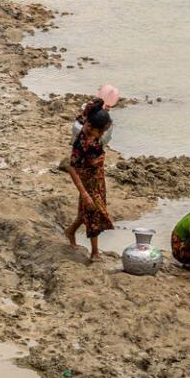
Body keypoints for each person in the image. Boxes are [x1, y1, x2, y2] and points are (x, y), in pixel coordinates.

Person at [65, 98, 114, 258]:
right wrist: (85, 194)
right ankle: (94, 252)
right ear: (90, 127)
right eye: (99, 132)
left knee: (85, 212)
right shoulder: (81, 143)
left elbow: (92, 113)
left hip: (98, 177)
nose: (101, 135)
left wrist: (105, 110)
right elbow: (71, 168)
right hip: (87, 181)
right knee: (94, 213)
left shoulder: (90, 122)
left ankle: (70, 232)